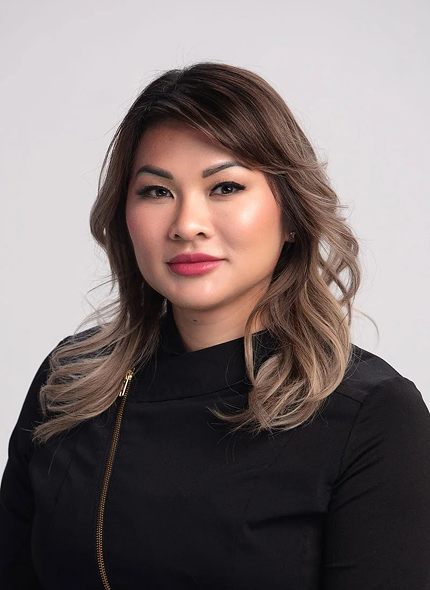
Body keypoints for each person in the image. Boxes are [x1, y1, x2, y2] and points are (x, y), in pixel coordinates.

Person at [1, 61, 429, 590]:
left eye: (225, 187)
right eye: (157, 191)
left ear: (291, 214)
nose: (187, 225)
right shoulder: (70, 382)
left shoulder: (372, 414)